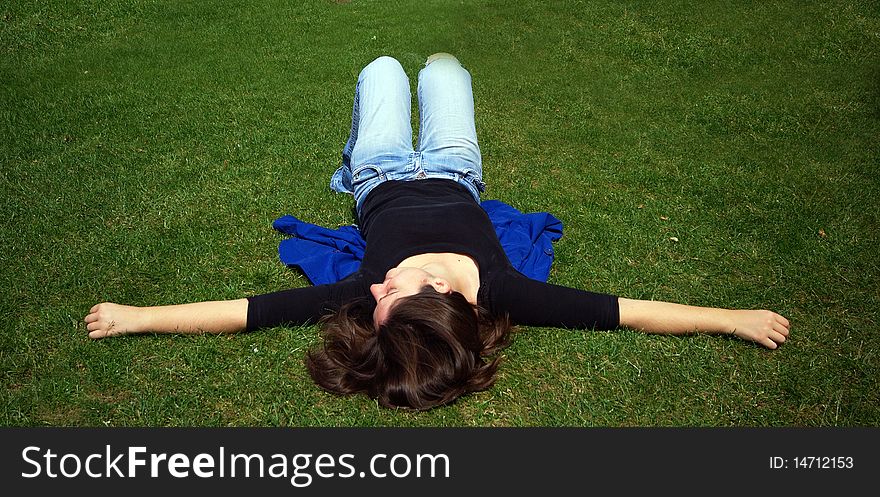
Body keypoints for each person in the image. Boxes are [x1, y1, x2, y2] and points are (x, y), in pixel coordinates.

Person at [85, 54, 790, 410]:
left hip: (380, 173)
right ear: (440, 291)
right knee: (446, 67)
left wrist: (137, 317)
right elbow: (626, 311)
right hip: (456, 169)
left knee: (383, 66)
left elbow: (249, 312)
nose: (373, 283)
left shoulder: (368, 303)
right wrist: (731, 319)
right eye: (392, 289)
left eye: (377, 295)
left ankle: (354, 150)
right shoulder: (507, 288)